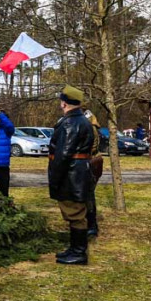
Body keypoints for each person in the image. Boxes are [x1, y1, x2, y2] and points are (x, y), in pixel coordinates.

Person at [48, 85, 95, 265]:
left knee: (74, 213)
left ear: (64, 103)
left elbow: (64, 154)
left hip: (71, 174)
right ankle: (75, 249)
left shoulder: (70, 123)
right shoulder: (82, 120)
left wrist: (55, 177)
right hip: (78, 171)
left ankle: (79, 252)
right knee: (76, 212)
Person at [84, 109, 103, 238]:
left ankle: (91, 225)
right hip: (94, 161)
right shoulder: (94, 128)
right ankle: (90, 223)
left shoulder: (91, 129)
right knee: (88, 194)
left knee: (88, 195)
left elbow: (91, 147)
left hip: (91, 162)